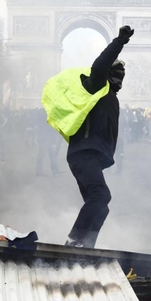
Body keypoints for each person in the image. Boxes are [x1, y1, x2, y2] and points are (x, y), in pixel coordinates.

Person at [43, 25, 134, 249]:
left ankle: (87, 245)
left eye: (123, 76)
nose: (121, 79)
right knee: (100, 195)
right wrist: (119, 42)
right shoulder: (97, 87)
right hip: (84, 154)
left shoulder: (111, 96)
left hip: (91, 156)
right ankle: (74, 241)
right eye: (117, 74)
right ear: (108, 74)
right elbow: (100, 65)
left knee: (101, 204)